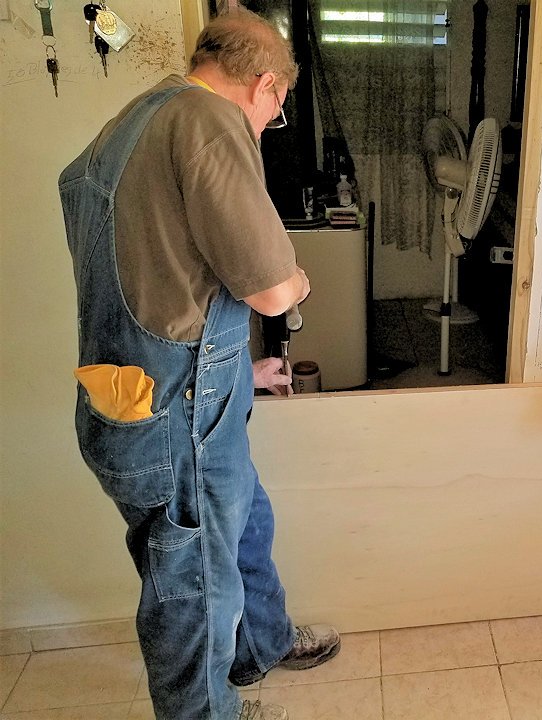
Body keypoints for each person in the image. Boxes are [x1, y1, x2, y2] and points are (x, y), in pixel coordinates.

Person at [59, 9, 339, 720]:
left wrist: (243, 373)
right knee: (192, 585)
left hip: (144, 397)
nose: (269, 123)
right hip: (176, 421)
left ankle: (260, 647)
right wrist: (300, 282)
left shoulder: (138, 118)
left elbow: (168, 277)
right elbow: (271, 287)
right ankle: (207, 712)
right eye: (275, 111)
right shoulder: (209, 119)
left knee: (244, 525)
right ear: (267, 86)